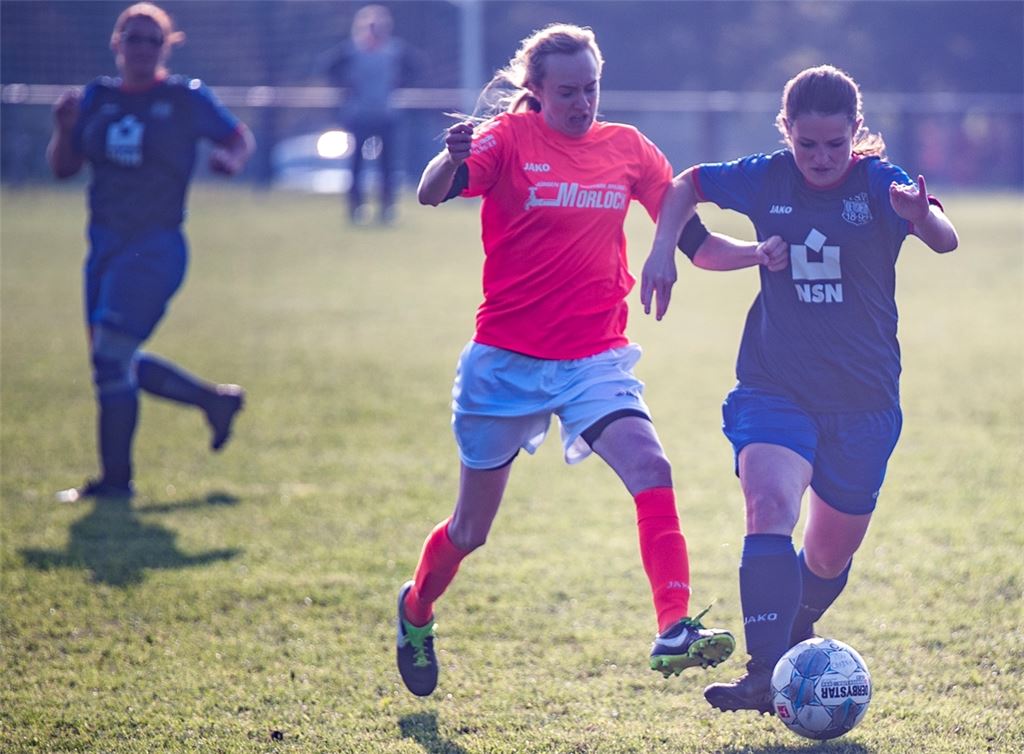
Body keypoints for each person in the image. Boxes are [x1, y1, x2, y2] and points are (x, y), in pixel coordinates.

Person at [394, 23, 735, 698]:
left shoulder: (628, 148)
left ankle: (673, 627)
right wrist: (446, 159)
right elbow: (434, 191)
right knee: (470, 530)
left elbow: (694, 240)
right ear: (538, 91)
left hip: (593, 360)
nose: (582, 103)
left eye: (591, 89)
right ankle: (415, 608)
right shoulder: (506, 139)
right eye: (568, 92)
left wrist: (763, 254)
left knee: (653, 467)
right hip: (505, 364)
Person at [640, 64, 959, 714]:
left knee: (825, 559)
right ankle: (762, 674)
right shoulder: (766, 176)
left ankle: (794, 629)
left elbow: (946, 240)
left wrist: (920, 217)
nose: (820, 157)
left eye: (835, 144)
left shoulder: (880, 183)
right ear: (785, 130)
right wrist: (663, 248)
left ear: (856, 131)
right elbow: (684, 185)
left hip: (864, 402)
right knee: (768, 506)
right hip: (774, 384)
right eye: (806, 143)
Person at [47, 2, 255, 503]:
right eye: (133, 38)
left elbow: (238, 138)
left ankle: (116, 482)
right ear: (116, 44)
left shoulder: (184, 98)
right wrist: (64, 128)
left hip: (155, 247)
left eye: (152, 40)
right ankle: (212, 401)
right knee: (110, 360)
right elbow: (63, 168)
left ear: (166, 47)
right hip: (103, 247)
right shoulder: (96, 98)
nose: (142, 48)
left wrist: (230, 159)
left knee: (110, 356)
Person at [324, 4, 415, 225]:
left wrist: (398, 84)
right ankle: (356, 207)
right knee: (357, 164)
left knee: (388, 165)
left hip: (386, 115)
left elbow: (415, 69)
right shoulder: (351, 51)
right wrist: (347, 87)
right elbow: (328, 68)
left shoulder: (394, 51)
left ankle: (387, 207)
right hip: (359, 115)